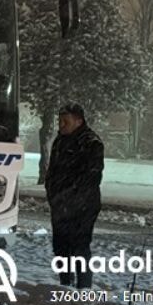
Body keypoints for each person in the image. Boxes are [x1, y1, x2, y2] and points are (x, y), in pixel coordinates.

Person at [44, 103, 104, 289]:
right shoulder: (60, 141)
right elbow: (52, 172)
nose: (61, 125)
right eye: (60, 121)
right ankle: (65, 284)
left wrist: (72, 198)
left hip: (82, 206)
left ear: (79, 121)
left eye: (66, 121)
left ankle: (83, 287)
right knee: (61, 247)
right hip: (60, 204)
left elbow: (91, 177)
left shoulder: (91, 143)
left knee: (79, 247)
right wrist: (53, 195)